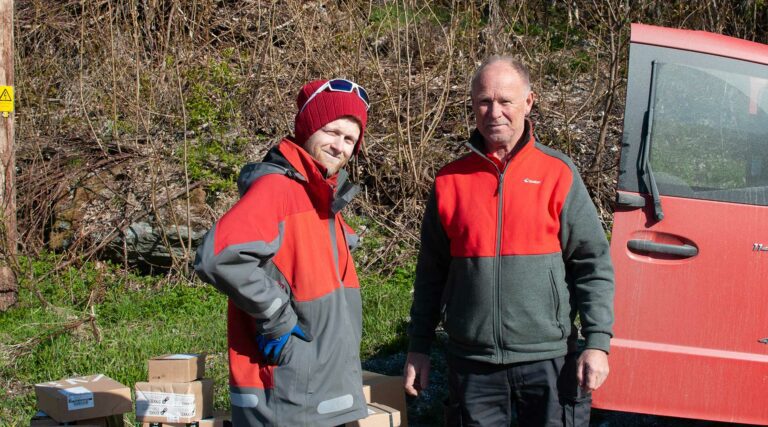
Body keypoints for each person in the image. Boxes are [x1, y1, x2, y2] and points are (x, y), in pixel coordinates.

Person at [403, 56, 615, 426]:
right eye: (484, 101)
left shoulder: (558, 173)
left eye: (505, 101)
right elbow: (430, 273)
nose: (494, 112)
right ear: (473, 105)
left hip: (548, 359)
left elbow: (592, 264)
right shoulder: (450, 180)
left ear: (528, 102)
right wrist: (418, 346)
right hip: (473, 365)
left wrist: (598, 343)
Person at [194, 78, 371, 426]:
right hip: (290, 395)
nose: (339, 146)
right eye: (332, 132)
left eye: (350, 139)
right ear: (307, 128)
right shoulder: (278, 188)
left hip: (319, 392)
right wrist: (277, 316)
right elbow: (217, 257)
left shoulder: (320, 198)